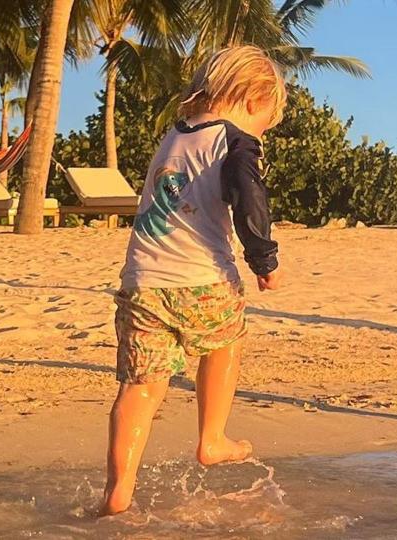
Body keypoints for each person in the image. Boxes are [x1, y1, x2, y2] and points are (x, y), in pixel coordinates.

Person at [101, 46, 287, 515]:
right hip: (202, 276)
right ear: (251, 97)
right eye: (265, 121)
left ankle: (118, 492)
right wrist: (263, 258)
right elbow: (250, 201)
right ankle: (212, 438)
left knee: (141, 386)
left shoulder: (174, 136)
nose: (261, 132)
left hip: (142, 281)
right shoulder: (236, 142)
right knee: (226, 341)